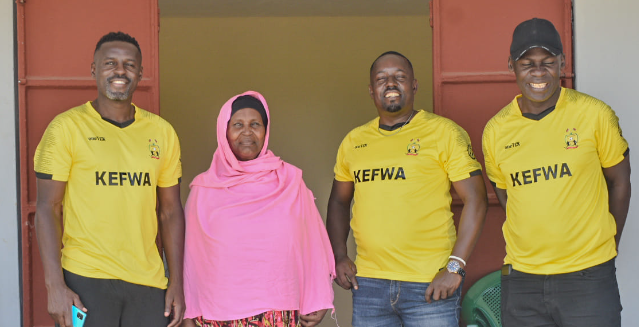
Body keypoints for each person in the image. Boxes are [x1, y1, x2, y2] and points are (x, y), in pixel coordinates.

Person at [482, 18, 631, 327]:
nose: (538, 73)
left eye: (548, 62)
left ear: (562, 62)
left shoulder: (594, 114)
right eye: (527, 64)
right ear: (511, 65)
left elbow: (620, 182)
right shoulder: (496, 130)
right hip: (523, 279)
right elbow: (505, 192)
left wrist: (608, 241)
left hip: (588, 277)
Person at [34, 32, 185, 327]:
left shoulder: (162, 132)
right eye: (110, 63)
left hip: (148, 283)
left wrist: (177, 283)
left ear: (140, 72)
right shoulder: (66, 128)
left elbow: (170, 211)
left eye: (129, 65)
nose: (120, 71)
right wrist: (54, 287)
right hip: (85, 281)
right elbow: (47, 208)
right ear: (94, 69)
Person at [327, 51, 488, 327]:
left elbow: (476, 199)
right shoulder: (354, 141)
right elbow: (339, 203)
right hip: (369, 286)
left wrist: (454, 267)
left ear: (414, 85)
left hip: (429, 284)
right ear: (371, 89)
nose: (390, 83)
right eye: (382, 78)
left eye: (399, 77)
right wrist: (339, 256)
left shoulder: (444, 133)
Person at [181, 91, 335, 327]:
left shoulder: (290, 181)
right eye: (237, 125)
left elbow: (312, 242)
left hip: (278, 312)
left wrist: (318, 296)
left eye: (255, 124)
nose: (247, 132)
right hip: (217, 315)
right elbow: (190, 257)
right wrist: (188, 311)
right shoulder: (204, 188)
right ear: (224, 131)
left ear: (266, 130)